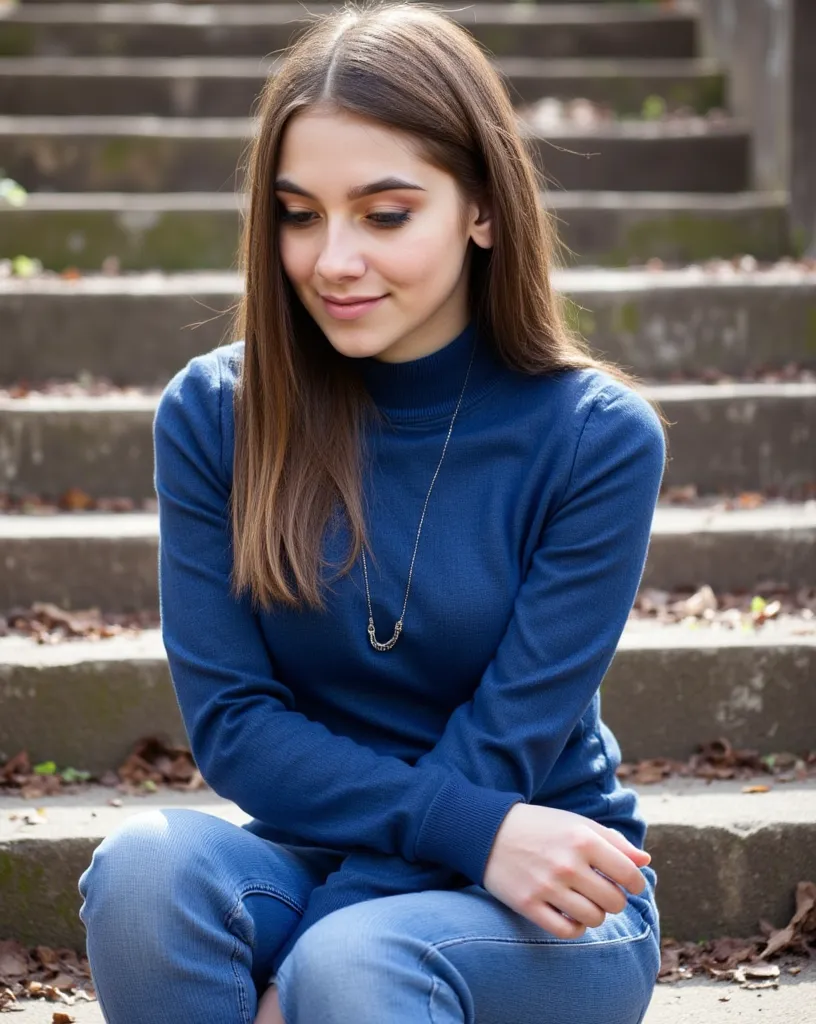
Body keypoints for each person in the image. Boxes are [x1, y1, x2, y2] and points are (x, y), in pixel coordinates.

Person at [77, 2, 670, 1021]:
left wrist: (297, 961)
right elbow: (236, 728)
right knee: (143, 877)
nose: (331, 259)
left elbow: (504, 744)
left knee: (351, 964)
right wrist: (446, 838)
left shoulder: (596, 438)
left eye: (385, 214)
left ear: (482, 208)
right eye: (300, 213)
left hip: (538, 886)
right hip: (337, 849)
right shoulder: (218, 413)